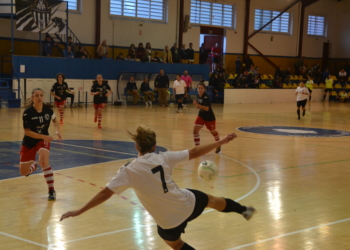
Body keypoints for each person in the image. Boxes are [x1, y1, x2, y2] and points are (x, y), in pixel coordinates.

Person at [60, 125, 256, 250]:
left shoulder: (128, 170)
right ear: (154, 146)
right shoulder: (164, 157)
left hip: (167, 222)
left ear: (137, 147)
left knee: (176, 244)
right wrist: (221, 141)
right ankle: (244, 210)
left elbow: (105, 193)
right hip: (186, 204)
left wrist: (79, 210)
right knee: (213, 201)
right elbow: (195, 151)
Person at [20, 88, 62, 200]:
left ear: (43, 97)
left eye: (41, 95)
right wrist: (44, 136)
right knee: (24, 172)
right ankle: (34, 165)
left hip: (42, 140)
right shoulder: (27, 112)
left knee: (44, 161)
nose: (39, 97)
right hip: (29, 141)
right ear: (32, 97)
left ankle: (51, 190)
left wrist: (57, 130)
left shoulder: (48, 110)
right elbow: (27, 132)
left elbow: (55, 120)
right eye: (37, 95)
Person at [193, 81, 222, 153]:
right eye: (199, 88)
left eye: (201, 88)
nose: (200, 89)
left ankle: (219, 143)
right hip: (201, 115)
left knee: (213, 132)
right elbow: (200, 106)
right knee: (195, 131)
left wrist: (198, 105)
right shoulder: (198, 96)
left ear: (204, 89)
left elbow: (206, 108)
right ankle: (197, 148)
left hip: (209, 117)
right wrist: (197, 106)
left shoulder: (206, 97)